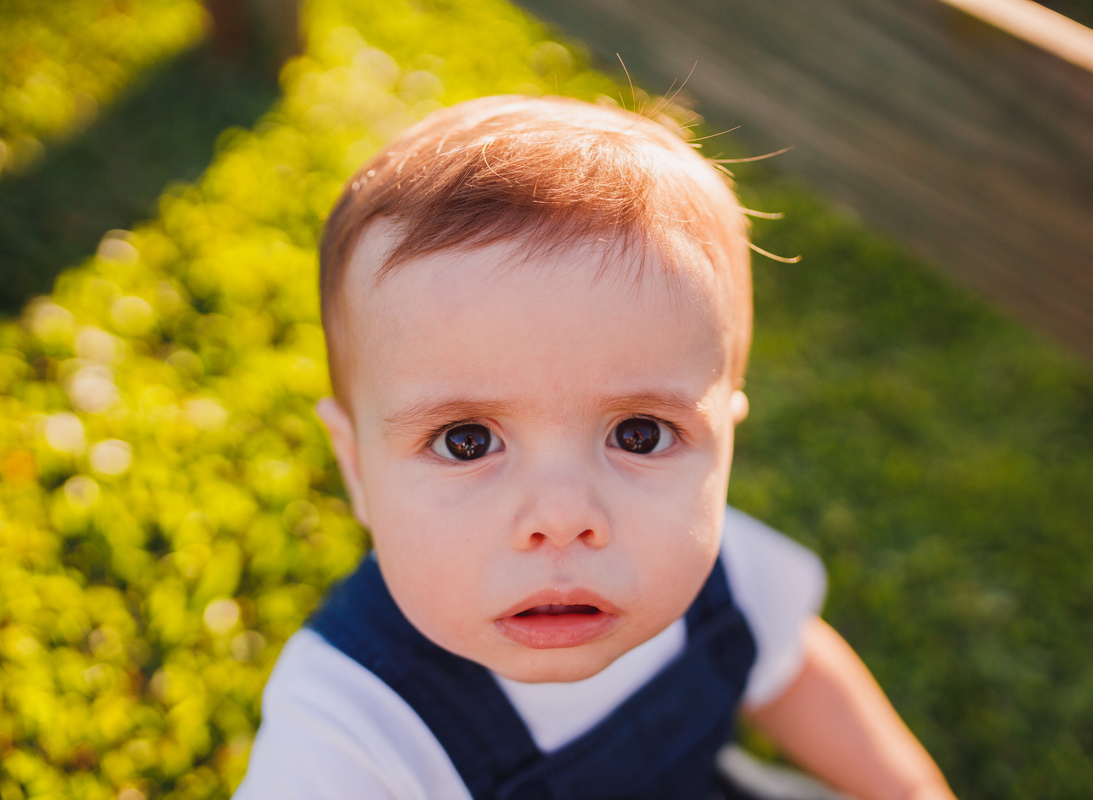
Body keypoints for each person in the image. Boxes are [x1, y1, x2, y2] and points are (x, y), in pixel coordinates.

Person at [234, 95, 957, 800]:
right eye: (466, 441)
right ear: (356, 466)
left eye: (639, 435)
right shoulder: (349, 728)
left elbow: (790, 665)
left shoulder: (722, 574)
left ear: (723, 442)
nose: (561, 516)